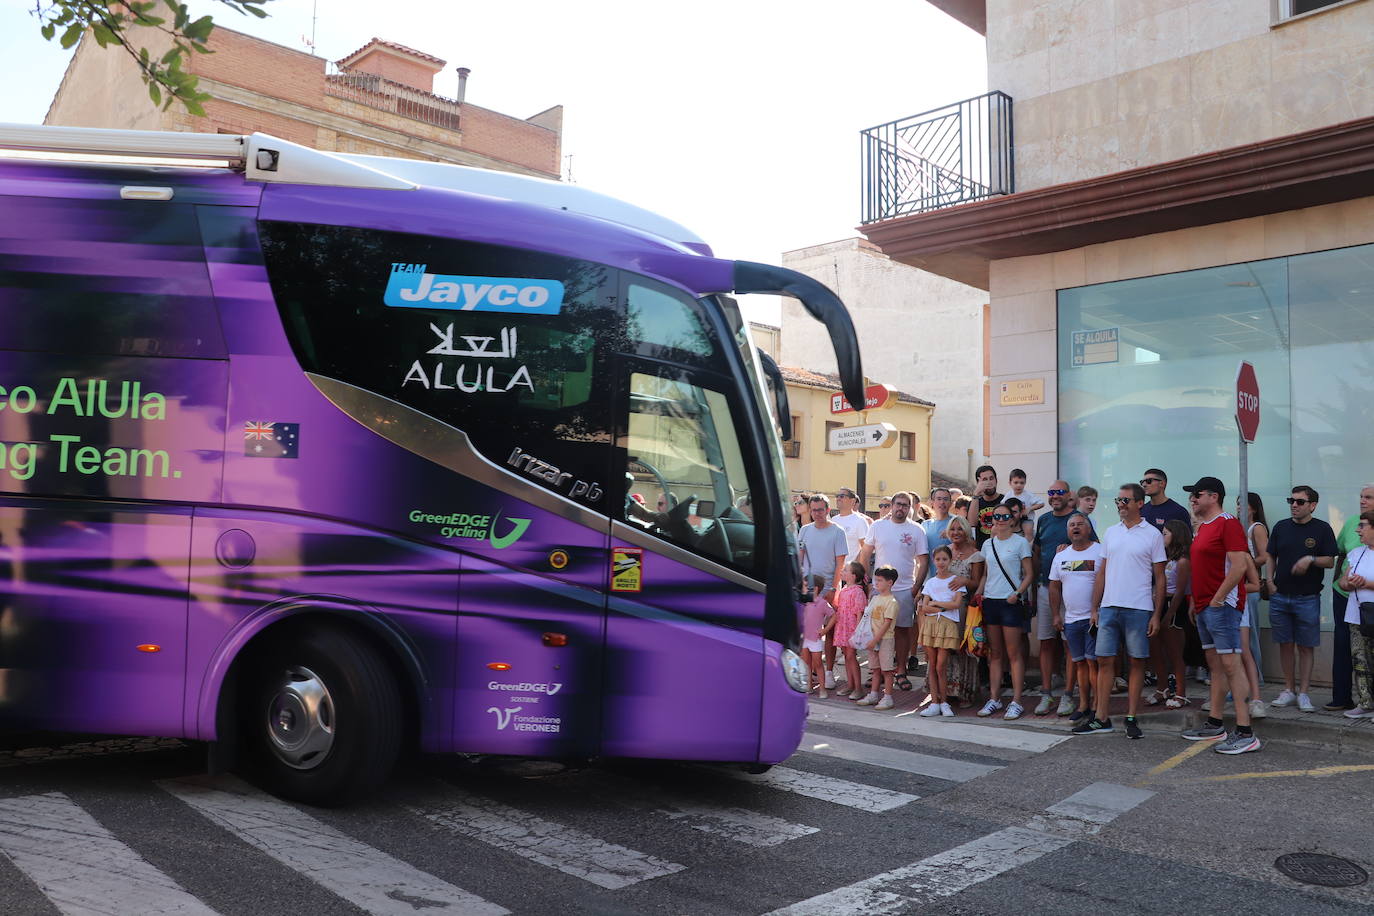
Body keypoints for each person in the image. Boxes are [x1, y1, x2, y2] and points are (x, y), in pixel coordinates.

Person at [1074, 484, 1165, 738]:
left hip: (1139, 607)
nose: (1120, 505)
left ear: (1139, 503)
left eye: (1125, 500)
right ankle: (1101, 718)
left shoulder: (1153, 535)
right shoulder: (1111, 532)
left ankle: (1131, 717)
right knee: (1104, 661)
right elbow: (1101, 573)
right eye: (1118, 500)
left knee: (1137, 661)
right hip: (1109, 607)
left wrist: (1157, 615)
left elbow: (1160, 578)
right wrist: (1094, 608)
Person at [1180, 476, 1260, 754]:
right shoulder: (1204, 526)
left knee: (1231, 665)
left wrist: (1217, 598)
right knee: (1216, 665)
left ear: (1213, 497)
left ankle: (1245, 732)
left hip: (1222, 607)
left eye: (1197, 494)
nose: (1192, 499)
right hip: (1205, 607)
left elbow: (1239, 567)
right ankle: (1215, 723)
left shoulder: (1228, 523)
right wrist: (1196, 601)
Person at [1266, 485, 1337, 712]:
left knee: (1306, 646)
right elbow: (1270, 555)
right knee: (1285, 644)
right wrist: (1269, 581)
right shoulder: (1281, 527)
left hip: (1307, 597)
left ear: (1312, 505)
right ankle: (1288, 689)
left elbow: (1330, 561)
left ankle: (1304, 693)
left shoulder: (1322, 529)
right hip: (1280, 595)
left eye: (1300, 501)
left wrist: (1310, 559)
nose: (1294, 505)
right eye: (1291, 501)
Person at [860, 492, 929, 692]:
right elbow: (865, 554)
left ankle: (900, 671)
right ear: (892, 505)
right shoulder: (877, 526)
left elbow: (924, 561)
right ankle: (878, 671)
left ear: (911, 508)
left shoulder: (917, 529)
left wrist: (916, 587)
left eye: (906, 505)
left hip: (905, 589)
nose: (901, 508)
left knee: (902, 631)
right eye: (898, 504)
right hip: (879, 590)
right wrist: (867, 582)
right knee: (877, 632)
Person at [976, 503, 1034, 719]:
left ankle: (1017, 701)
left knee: (1014, 654)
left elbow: (1029, 574)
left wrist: (1018, 593)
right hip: (991, 601)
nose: (1000, 520)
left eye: (1005, 516)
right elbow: (985, 574)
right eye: (996, 516)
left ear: (1013, 519)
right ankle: (994, 698)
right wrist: (979, 594)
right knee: (995, 653)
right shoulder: (988, 544)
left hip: (1010, 602)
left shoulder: (1020, 543)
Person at [1050, 513, 1102, 723]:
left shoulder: (1100, 551)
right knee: (1079, 663)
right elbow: (1054, 587)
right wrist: (1056, 614)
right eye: (1072, 525)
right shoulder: (1060, 556)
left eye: (1080, 524)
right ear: (1067, 531)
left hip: (1094, 619)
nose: (1076, 527)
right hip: (1070, 619)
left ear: (1089, 529)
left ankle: (1097, 706)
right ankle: (1083, 705)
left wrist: (1097, 611)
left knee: (1093, 663)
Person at [1032, 481, 1076, 715]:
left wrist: (1068, 555)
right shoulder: (1044, 520)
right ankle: (1046, 693)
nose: (1055, 496)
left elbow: (1092, 554)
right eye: (1051, 492)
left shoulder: (1079, 520)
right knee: (1046, 642)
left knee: (1070, 644)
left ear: (1068, 495)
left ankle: (1068, 695)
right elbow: (1037, 554)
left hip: (1071, 590)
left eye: (1059, 492)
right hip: (1044, 588)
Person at [1330, 486, 1374, 710]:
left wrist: (1365, 583)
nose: (1362, 501)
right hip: (1350, 604)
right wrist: (1345, 583)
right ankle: (1352, 700)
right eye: (1361, 497)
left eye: (1368, 497)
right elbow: (1341, 559)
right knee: (1354, 654)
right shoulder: (1354, 540)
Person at [827, 487, 872, 687]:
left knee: (852, 617)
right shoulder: (834, 520)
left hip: (852, 578)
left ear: (853, 500)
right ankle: (836, 659)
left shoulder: (859, 521)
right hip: (837, 576)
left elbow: (865, 549)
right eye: (837, 496)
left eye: (843, 496)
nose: (838, 499)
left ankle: (855, 677)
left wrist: (860, 574)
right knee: (837, 615)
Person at [1150, 518, 1193, 709]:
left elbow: (1180, 591)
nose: (1162, 537)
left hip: (1172, 606)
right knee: (1155, 648)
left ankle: (1181, 693)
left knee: (1174, 652)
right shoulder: (1166, 558)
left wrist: (1169, 615)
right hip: (1158, 604)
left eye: (1165, 533)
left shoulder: (1183, 561)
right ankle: (1162, 688)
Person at [918, 546, 965, 718]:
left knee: (941, 666)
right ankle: (934, 703)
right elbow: (924, 607)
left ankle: (944, 702)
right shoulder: (930, 582)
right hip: (931, 625)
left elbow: (956, 604)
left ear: (950, 560)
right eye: (938, 559)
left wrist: (936, 604)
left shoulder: (955, 581)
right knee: (932, 665)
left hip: (948, 626)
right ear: (933, 560)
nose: (941, 562)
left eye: (944, 559)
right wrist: (942, 607)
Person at [944, 515, 985, 707]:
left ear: (967, 531)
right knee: (945, 647)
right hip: (943, 607)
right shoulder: (945, 551)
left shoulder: (975, 555)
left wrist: (964, 581)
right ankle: (945, 691)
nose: (956, 533)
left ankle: (964, 693)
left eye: (960, 529)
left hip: (964, 608)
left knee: (962, 648)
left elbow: (977, 582)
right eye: (953, 529)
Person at [1238, 491, 1268, 717]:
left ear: (1254, 508)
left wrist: (1245, 565)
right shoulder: (1238, 527)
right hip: (1241, 586)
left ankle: (1256, 680)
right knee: (1242, 640)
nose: (1239, 507)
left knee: (1251, 639)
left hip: (1250, 586)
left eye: (1244, 504)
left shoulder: (1256, 528)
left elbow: (1265, 556)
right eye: (1238, 503)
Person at [857, 566, 900, 710]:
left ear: (890, 582)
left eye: (880, 580)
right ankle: (873, 694)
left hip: (885, 639)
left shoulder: (891, 602)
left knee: (886, 670)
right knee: (875, 669)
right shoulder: (875, 598)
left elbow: (887, 624)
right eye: (876, 580)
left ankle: (888, 697)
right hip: (872, 639)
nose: (876, 583)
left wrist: (875, 640)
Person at [832, 561, 869, 698]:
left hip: (852, 629)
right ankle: (850, 685)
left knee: (851, 657)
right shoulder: (844, 590)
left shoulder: (858, 592)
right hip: (843, 628)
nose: (842, 572)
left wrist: (857, 632)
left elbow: (859, 612)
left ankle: (858, 688)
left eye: (845, 570)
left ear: (853, 576)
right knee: (847, 657)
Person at [801, 574, 834, 698]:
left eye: (805, 586)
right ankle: (809, 685)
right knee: (806, 663)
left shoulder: (822, 603)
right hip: (804, 637)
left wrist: (825, 630)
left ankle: (822, 689)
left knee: (818, 663)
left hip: (815, 639)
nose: (803, 588)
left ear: (814, 589)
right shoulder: (803, 601)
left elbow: (834, 616)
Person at [1140, 468, 1191, 533]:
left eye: (1148, 481)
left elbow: (1186, 538)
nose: (1144, 485)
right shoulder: (1141, 510)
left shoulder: (1178, 512)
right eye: (1142, 482)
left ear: (1162, 483)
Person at [966, 465, 1004, 548]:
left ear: (996, 480)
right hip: (981, 548)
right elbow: (972, 524)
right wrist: (976, 494)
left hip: (1002, 547)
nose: (989, 482)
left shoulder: (1005, 500)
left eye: (991, 478)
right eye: (984, 479)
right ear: (978, 483)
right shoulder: (974, 502)